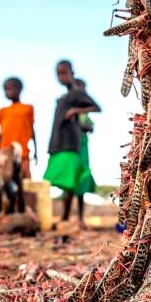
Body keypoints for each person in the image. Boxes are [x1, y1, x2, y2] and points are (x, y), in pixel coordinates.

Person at [43, 60, 100, 227]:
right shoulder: (64, 98)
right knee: (67, 183)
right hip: (62, 144)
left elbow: (93, 115)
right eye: (58, 73)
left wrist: (76, 112)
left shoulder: (76, 95)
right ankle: (66, 217)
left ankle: (70, 218)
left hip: (77, 147)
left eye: (64, 73)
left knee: (75, 183)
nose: (61, 77)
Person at [0, 77, 37, 179]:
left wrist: (36, 150)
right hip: (5, 152)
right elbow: (1, 133)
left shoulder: (28, 108)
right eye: (6, 89)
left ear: (19, 89)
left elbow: (32, 130)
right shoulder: (3, 111)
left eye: (10, 88)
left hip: (23, 152)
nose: (8, 92)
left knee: (25, 179)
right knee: (5, 179)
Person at [73, 78, 98, 222]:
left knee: (82, 179)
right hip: (72, 148)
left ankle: (80, 218)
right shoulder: (68, 109)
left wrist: (83, 127)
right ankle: (66, 217)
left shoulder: (84, 114)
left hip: (83, 148)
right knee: (70, 181)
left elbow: (91, 128)